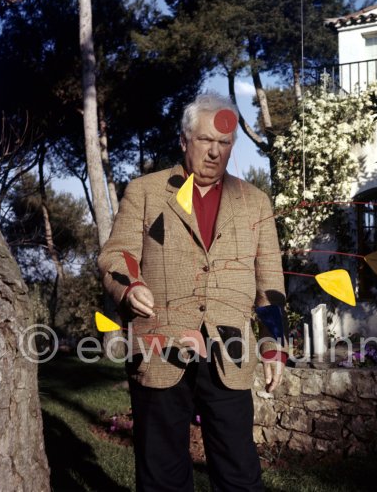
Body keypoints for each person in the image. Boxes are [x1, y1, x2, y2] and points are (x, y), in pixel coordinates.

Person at [98, 92, 287, 492]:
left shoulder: (255, 203)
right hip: (158, 345)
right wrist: (130, 287)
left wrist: (273, 344)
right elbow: (117, 256)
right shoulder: (145, 191)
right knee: (161, 475)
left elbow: (270, 281)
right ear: (184, 140)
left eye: (224, 144)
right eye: (206, 141)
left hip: (229, 353)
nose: (215, 152)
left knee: (240, 474)